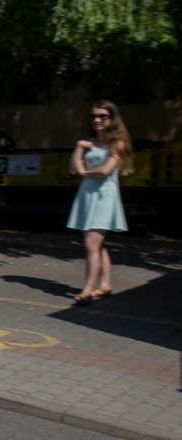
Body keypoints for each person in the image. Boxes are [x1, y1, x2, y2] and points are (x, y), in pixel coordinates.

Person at [66, 99, 133, 305]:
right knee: (98, 243)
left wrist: (85, 171)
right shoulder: (89, 142)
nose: (97, 119)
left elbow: (105, 170)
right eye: (94, 116)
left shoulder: (117, 142)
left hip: (104, 196)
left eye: (102, 116)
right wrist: (79, 147)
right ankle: (105, 285)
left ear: (112, 118)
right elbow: (72, 169)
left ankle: (88, 290)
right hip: (87, 195)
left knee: (91, 243)